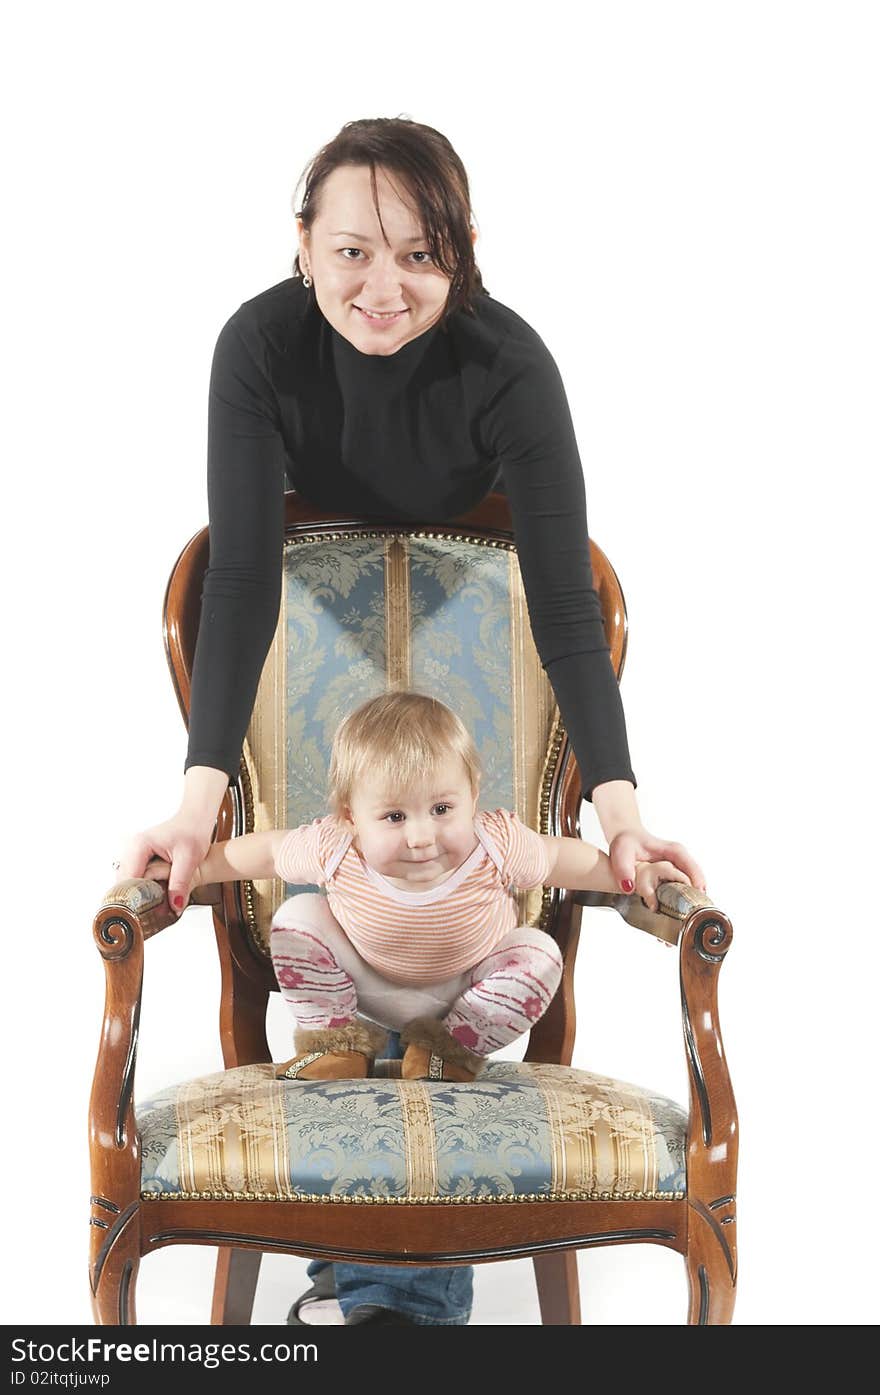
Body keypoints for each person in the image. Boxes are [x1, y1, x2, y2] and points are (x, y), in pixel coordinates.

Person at [118, 114, 707, 1326]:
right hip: (331, 699)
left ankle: (400, 1277)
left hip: (466, 668)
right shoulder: (261, 347)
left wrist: (626, 817)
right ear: (301, 246)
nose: (384, 288)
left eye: (421, 255)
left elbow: (561, 610)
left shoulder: (509, 367)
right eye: (351, 253)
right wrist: (193, 806)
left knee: (481, 970)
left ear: (464, 253)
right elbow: (238, 579)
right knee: (325, 925)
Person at [144, 692, 687, 1087]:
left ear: (473, 795)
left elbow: (561, 859)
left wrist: (630, 871)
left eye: (443, 809)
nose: (422, 836)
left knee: (539, 953)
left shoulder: (494, 842)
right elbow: (260, 852)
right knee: (300, 916)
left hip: (463, 992)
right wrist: (193, 868)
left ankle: (447, 1051)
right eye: (394, 816)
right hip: (367, 986)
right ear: (350, 816)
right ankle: (335, 1044)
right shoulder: (336, 846)